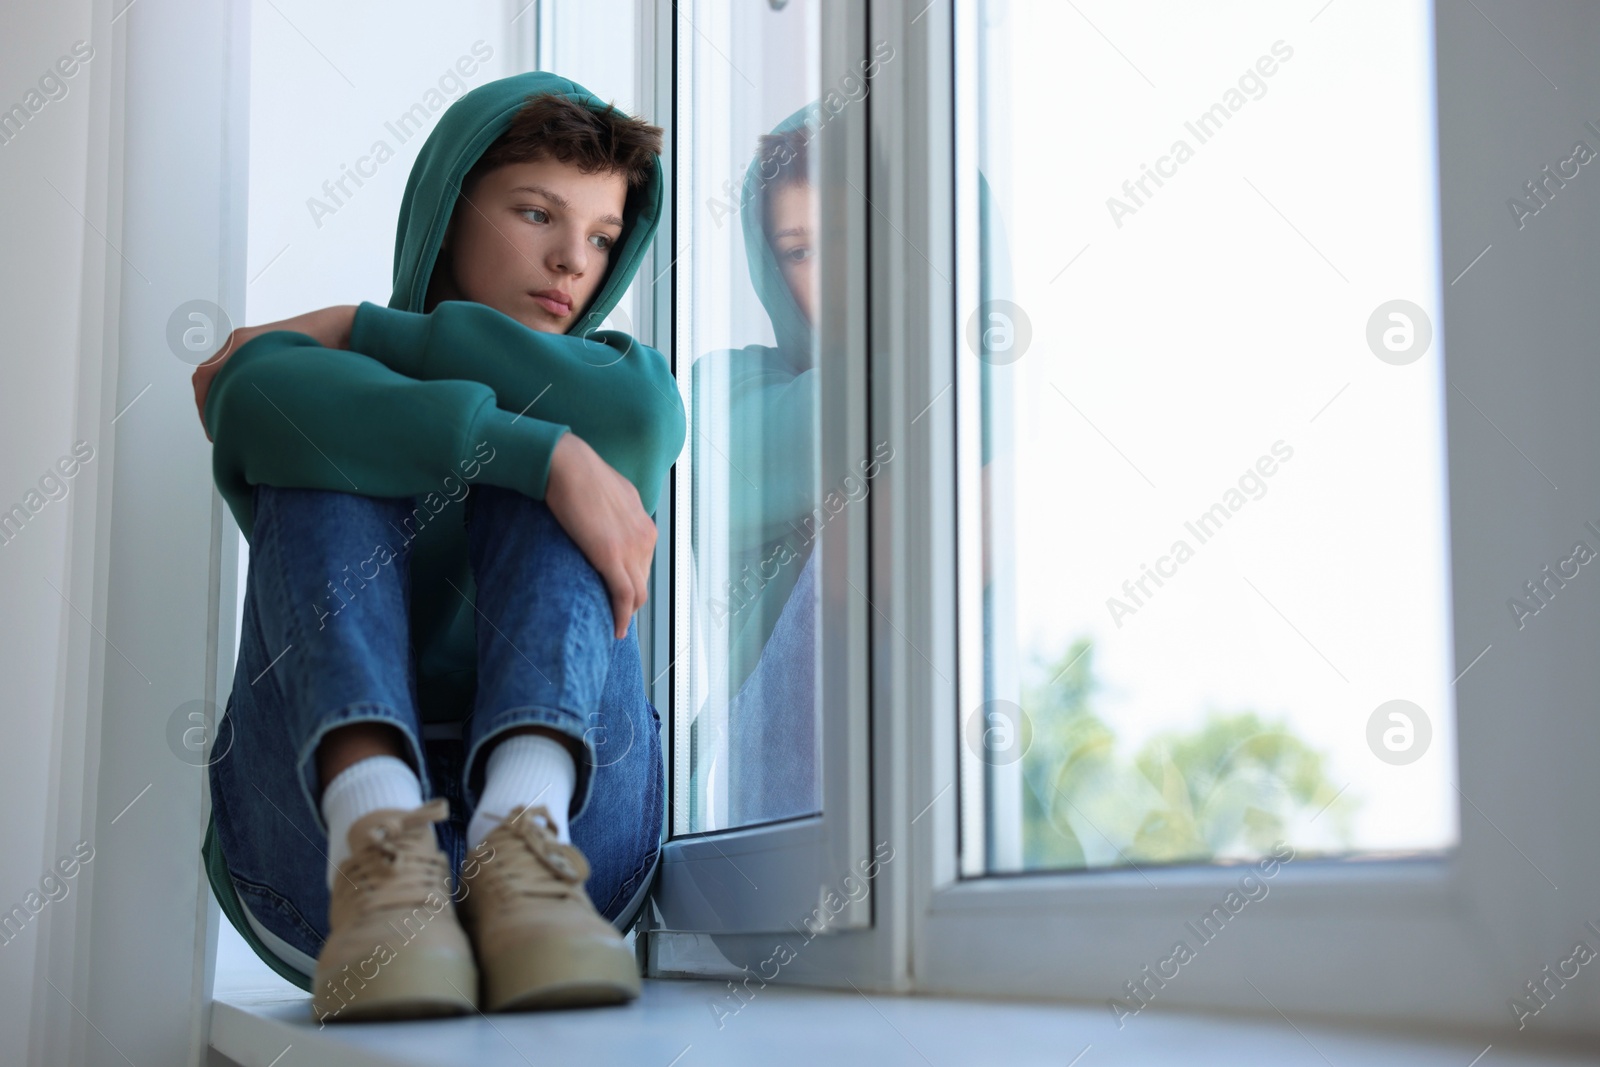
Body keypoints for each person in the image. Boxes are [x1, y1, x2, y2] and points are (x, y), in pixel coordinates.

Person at [189, 72, 684, 1022]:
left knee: (574, 453)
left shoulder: (619, 374)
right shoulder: (323, 372)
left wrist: (362, 331)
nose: (573, 263)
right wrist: (541, 454)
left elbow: (632, 413)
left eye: (602, 238)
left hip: (576, 850)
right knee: (330, 439)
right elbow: (247, 396)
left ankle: (521, 823)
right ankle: (376, 822)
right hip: (325, 865)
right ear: (445, 211)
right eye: (537, 213)